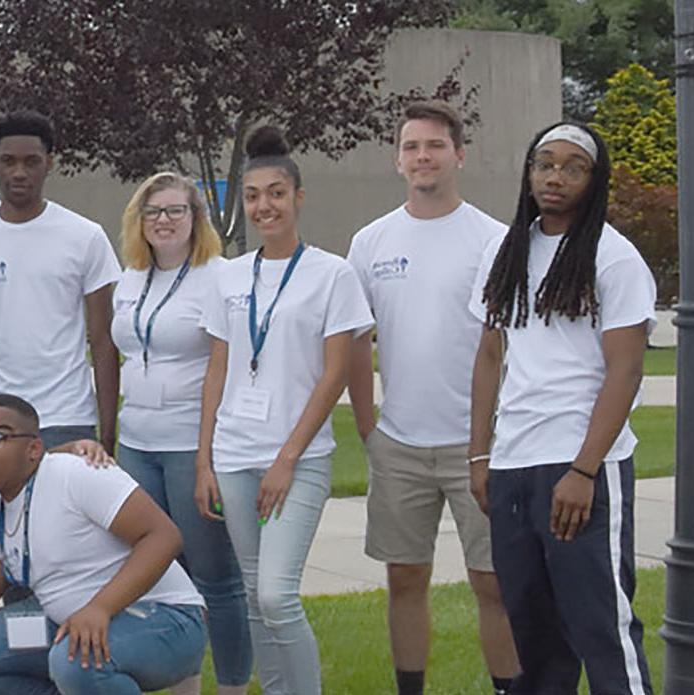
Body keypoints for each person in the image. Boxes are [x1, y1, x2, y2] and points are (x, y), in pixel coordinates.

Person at [468, 122, 655, 695]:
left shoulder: (614, 257)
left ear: (593, 181)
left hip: (579, 467)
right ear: (528, 172)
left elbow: (625, 370)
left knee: (601, 627)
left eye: (573, 167)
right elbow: (491, 355)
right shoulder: (507, 252)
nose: (556, 176)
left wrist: (584, 470)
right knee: (534, 635)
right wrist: (480, 456)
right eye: (545, 163)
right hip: (513, 467)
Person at [344, 102, 523, 695]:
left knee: (493, 581)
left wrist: (488, 443)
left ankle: (509, 687)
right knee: (405, 577)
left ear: (459, 155)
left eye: (435, 146)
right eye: (412, 147)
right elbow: (353, 338)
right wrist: (370, 426)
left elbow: (506, 345)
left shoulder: (496, 240)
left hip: (480, 447)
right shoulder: (370, 242)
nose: (423, 157)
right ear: (398, 160)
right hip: (399, 444)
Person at [194, 127, 373, 695]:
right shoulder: (226, 274)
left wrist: (287, 458)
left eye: (275, 193)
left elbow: (334, 374)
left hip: (297, 457)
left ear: (298, 196)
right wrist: (204, 461)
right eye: (252, 195)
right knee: (251, 593)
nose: (263, 206)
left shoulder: (332, 274)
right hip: (233, 453)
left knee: (276, 592)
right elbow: (218, 370)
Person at [0, 394, 207, 693]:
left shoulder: (73, 473)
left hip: (165, 616)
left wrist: (100, 608)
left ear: (33, 449)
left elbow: (164, 536)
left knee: (78, 660)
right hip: (68, 623)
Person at [101, 171, 249, 695]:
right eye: (153, 211)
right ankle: (183, 681)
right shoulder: (131, 277)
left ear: (196, 219)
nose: (163, 221)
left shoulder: (219, 277)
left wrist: (208, 459)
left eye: (175, 211)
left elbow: (223, 367)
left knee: (215, 576)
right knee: (163, 574)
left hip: (191, 443)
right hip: (139, 442)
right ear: (138, 220)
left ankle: (232, 685)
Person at [0, 110, 119, 447]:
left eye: (31, 162)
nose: (19, 172)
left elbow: (103, 342)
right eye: (8, 161)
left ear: (49, 163)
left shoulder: (85, 237)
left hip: (68, 417)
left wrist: (107, 436)